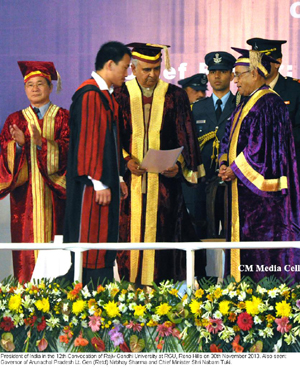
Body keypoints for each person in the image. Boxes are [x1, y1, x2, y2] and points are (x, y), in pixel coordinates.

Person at [114, 42, 205, 286]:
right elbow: (110, 136)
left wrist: (180, 165)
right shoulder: (120, 94)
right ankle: (128, 293)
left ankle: (161, 293)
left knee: (164, 234)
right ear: (133, 68)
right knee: (128, 237)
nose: (153, 74)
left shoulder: (174, 95)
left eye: (156, 68)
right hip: (130, 186)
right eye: (146, 69)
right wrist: (126, 160)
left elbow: (186, 136)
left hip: (164, 185)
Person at [218, 47, 300, 283]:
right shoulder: (246, 103)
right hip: (240, 191)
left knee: (259, 253)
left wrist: (234, 169)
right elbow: (228, 137)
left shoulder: (269, 103)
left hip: (260, 201)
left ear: (255, 73)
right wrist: (224, 161)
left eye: (238, 75)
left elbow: (261, 148)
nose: (234, 81)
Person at [63, 41, 130, 287]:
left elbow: (109, 143)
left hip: (103, 183)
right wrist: (99, 182)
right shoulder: (90, 95)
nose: (127, 73)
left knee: (102, 246)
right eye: (125, 67)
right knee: (91, 245)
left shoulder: (106, 96)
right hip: (92, 188)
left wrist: (119, 178)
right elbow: (89, 141)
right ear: (110, 64)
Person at [0, 61, 70, 282]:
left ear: (50, 87)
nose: (35, 89)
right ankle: (27, 310)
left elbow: (71, 150)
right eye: (30, 85)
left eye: (40, 84)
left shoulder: (64, 117)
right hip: (25, 201)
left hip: (56, 198)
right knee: (26, 253)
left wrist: (41, 143)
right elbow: (4, 154)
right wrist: (19, 146)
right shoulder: (15, 119)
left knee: (58, 253)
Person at [185, 52, 236, 240]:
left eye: (222, 71)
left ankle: (232, 271)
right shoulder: (196, 108)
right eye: (213, 71)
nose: (217, 76)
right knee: (200, 233)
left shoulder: (240, 104)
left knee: (232, 233)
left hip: (232, 180)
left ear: (231, 75)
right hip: (202, 181)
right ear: (208, 75)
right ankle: (200, 271)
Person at [246, 37, 300, 181]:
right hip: (255, 175)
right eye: (255, 61)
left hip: (288, 171)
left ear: (278, 62)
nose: (259, 65)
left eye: (264, 60)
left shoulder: (295, 90)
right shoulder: (246, 93)